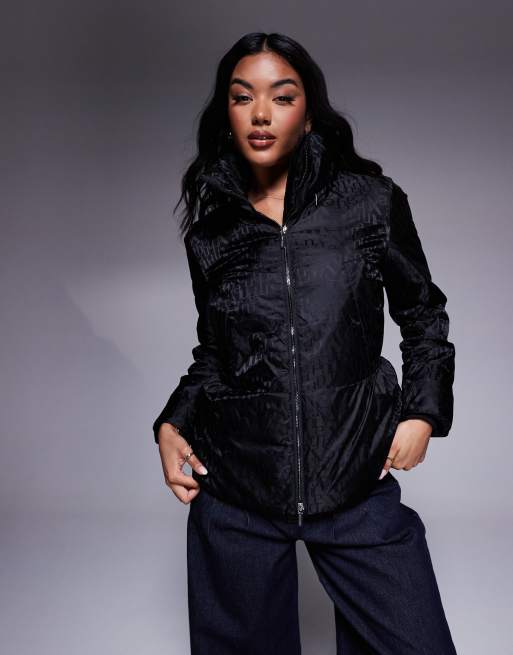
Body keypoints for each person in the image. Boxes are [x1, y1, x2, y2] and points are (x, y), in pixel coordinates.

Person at [153, 32, 457, 655]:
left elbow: (423, 315)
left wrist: (422, 413)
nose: (261, 114)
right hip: (238, 493)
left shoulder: (370, 204)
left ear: (308, 113)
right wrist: (172, 420)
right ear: (228, 114)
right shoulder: (213, 234)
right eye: (243, 97)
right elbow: (215, 351)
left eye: (282, 97)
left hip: (353, 481)